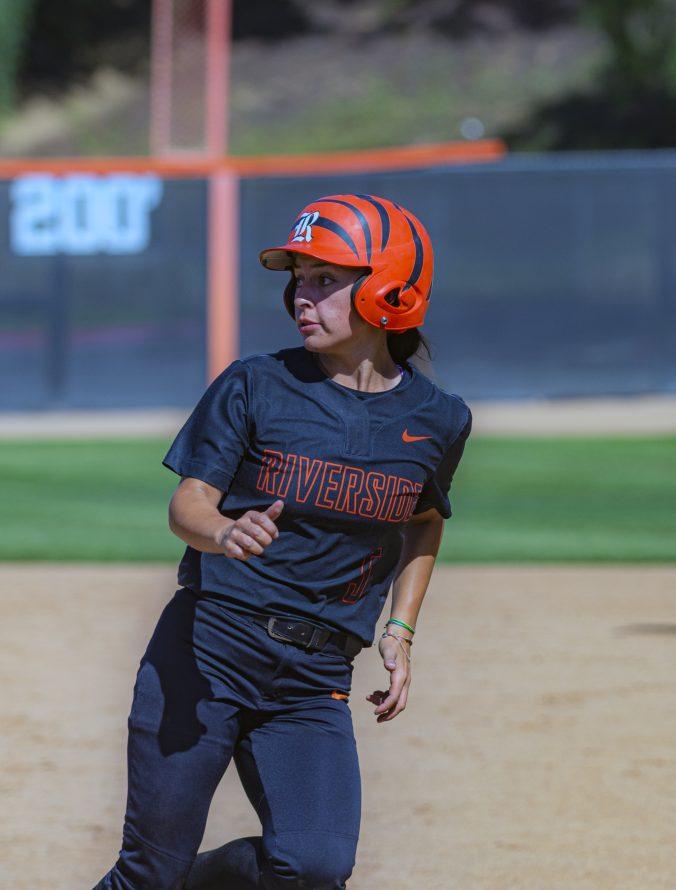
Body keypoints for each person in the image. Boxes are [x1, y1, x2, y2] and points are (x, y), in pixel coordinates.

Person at [95, 194, 471, 888]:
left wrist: (401, 629)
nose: (302, 294)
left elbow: (424, 516)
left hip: (314, 678)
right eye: (297, 277)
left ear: (389, 286)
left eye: (324, 278)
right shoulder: (257, 385)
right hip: (207, 655)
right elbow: (188, 504)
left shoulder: (438, 419)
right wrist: (224, 529)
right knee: (149, 874)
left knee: (316, 868)